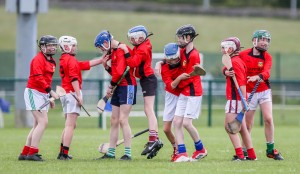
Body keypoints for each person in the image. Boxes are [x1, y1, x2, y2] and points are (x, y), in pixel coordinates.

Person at [118, 25, 163, 159]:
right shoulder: (141, 46)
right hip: (145, 80)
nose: (131, 41)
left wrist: (125, 51)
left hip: (148, 79)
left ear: (140, 38)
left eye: (133, 38)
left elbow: (132, 63)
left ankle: (153, 139)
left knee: (148, 109)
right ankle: (156, 140)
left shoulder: (143, 48)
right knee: (147, 109)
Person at [239, 30, 284, 160]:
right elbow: (232, 64)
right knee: (247, 124)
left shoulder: (267, 57)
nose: (265, 43)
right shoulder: (243, 54)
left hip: (263, 91)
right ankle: (244, 151)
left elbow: (267, 72)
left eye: (267, 40)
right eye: (262, 39)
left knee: (268, 119)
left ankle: (270, 150)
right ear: (255, 41)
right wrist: (226, 70)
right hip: (248, 92)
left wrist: (257, 77)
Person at [57, 36, 103, 160]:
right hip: (72, 93)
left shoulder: (65, 58)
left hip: (65, 94)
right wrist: (78, 95)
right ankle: (64, 154)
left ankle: (62, 152)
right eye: (73, 45)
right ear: (66, 46)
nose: (75, 47)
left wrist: (101, 60)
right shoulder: (70, 60)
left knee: (69, 125)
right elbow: (73, 78)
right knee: (70, 126)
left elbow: (83, 65)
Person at [94, 30, 137, 160]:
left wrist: (110, 86)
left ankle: (128, 153)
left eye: (101, 46)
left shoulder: (121, 50)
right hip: (118, 86)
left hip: (128, 86)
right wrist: (105, 67)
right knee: (114, 120)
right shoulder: (112, 52)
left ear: (106, 42)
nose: (101, 49)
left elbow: (119, 73)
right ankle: (111, 153)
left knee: (123, 119)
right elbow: (115, 74)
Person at [18, 35, 60, 161]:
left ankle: (25, 153)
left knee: (37, 124)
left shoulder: (52, 61)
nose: (52, 48)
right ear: (42, 47)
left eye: (54, 45)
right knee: (43, 122)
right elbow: (38, 78)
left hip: (42, 94)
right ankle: (32, 153)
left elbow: (47, 80)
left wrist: (48, 97)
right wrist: (51, 92)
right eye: (50, 45)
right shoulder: (37, 60)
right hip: (33, 92)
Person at [171, 24, 207, 162]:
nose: (179, 40)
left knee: (186, 123)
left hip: (193, 92)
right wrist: (160, 63)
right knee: (177, 121)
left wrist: (177, 82)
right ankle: (182, 153)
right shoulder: (181, 52)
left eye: (180, 37)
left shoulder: (194, 55)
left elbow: (192, 77)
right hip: (184, 91)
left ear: (188, 38)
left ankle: (201, 149)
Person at [221, 37, 257, 161]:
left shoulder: (235, 62)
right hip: (237, 99)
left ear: (230, 48)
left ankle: (240, 155)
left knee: (230, 128)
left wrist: (244, 100)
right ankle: (251, 155)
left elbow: (241, 83)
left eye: (223, 47)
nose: (222, 50)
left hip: (236, 99)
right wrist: (225, 72)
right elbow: (226, 68)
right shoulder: (236, 60)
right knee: (242, 130)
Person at [160, 43, 187, 161]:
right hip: (171, 96)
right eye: (169, 59)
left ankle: (181, 151)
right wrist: (180, 78)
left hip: (184, 95)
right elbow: (171, 86)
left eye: (174, 58)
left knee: (181, 124)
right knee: (166, 129)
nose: (172, 61)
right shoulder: (164, 68)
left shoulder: (184, 60)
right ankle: (176, 148)